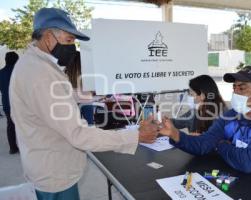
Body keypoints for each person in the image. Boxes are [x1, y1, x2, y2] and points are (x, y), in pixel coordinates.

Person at [9, 8, 158, 200]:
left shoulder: (31, 65)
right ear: (48, 37)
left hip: (45, 165)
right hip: (55, 177)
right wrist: (135, 136)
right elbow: (78, 135)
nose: (73, 47)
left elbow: (54, 97)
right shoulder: (41, 74)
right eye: (69, 40)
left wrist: (90, 96)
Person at [156, 66, 251, 175]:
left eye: (242, 88)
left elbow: (248, 162)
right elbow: (204, 143)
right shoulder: (231, 115)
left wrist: (219, 145)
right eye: (234, 87)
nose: (236, 93)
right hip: (238, 178)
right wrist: (176, 134)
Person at [0, 51, 19, 154]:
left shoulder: (0, 73)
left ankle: (13, 148)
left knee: (10, 125)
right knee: (22, 125)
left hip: (7, 103)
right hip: (19, 103)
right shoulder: (19, 72)